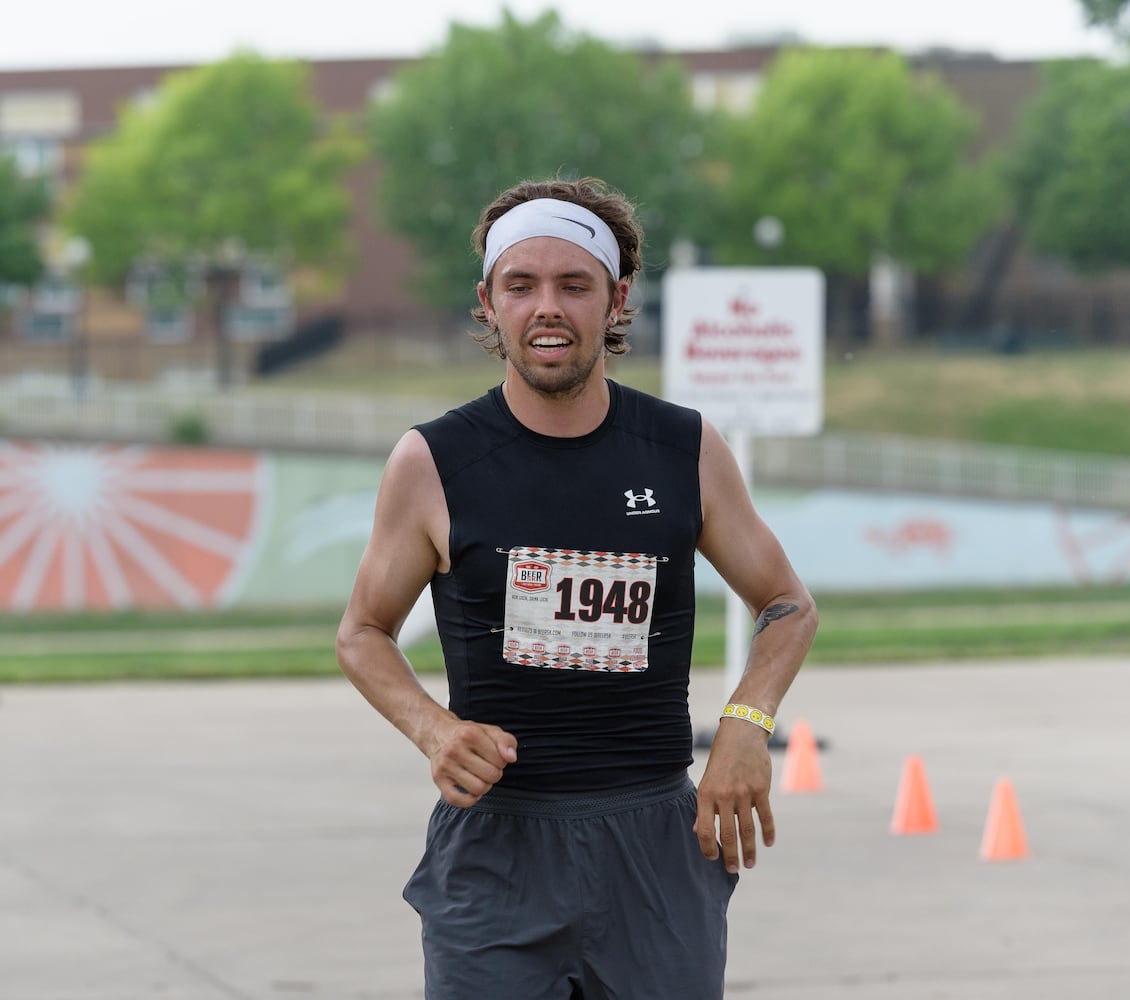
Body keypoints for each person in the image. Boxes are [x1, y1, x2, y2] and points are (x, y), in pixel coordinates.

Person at [336, 176, 818, 999]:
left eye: (573, 284)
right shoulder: (433, 463)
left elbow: (786, 606)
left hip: (656, 844)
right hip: (498, 851)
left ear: (617, 298)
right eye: (520, 286)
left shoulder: (684, 448)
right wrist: (434, 730)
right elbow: (363, 632)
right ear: (488, 303)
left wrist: (745, 724)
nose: (545, 307)